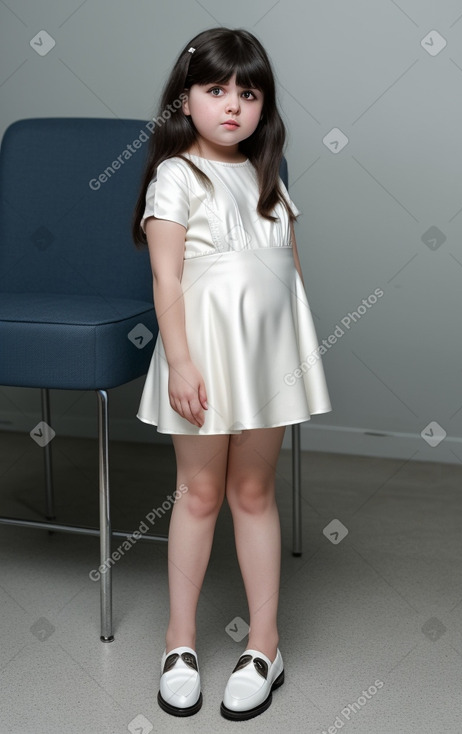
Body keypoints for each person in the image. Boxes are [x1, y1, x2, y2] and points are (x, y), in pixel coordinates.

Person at [132, 27, 332, 721]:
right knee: (197, 493)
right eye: (215, 90)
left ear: (262, 106)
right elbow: (165, 278)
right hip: (205, 354)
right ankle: (179, 643)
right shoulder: (175, 175)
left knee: (252, 492)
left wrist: (296, 353)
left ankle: (265, 646)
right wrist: (181, 362)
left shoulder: (265, 171)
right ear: (184, 99)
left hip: (266, 357)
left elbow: (288, 272)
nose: (231, 106)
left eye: (247, 93)